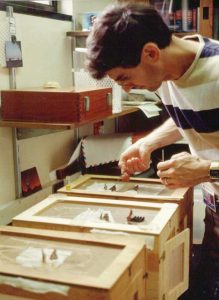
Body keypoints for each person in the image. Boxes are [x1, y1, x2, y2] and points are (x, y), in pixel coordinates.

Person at [86, 2, 219, 299]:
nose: (127, 89)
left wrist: (205, 170)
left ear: (150, 53)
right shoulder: (169, 71)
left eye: (123, 78)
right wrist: (147, 143)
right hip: (215, 206)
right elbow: (194, 110)